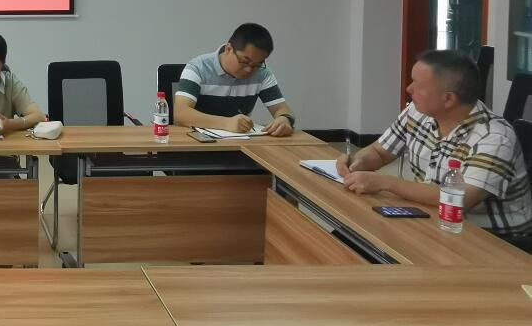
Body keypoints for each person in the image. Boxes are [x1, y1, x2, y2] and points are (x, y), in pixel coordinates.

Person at [337, 50, 531, 243]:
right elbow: (379, 152)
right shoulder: (417, 112)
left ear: (448, 99)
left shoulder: (495, 137)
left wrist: (385, 183)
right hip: (435, 219)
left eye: (418, 85)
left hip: (496, 239)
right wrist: (357, 163)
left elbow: (458, 199)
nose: (409, 89)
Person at [174, 23, 297, 136]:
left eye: (257, 64)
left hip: (240, 142)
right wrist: (226, 123)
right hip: (197, 141)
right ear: (229, 49)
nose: (249, 69)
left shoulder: (262, 73)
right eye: (245, 61)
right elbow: (181, 113)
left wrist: (285, 119)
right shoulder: (198, 68)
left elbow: (281, 109)